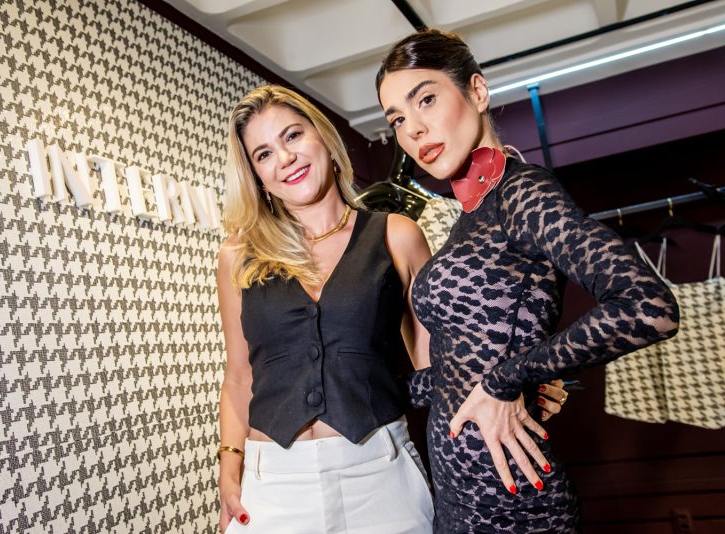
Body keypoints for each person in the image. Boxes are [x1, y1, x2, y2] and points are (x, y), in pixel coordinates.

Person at [215, 84, 568, 533]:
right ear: (256, 176)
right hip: (274, 485)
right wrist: (229, 468)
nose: (284, 158)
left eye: (293, 135)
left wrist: (516, 383)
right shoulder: (237, 256)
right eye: (263, 154)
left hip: (381, 474)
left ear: (323, 137)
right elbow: (239, 377)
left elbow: (437, 368)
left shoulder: (397, 235)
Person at [376, 29, 680, 532]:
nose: (414, 130)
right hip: (455, 502)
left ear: (477, 91)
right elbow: (459, 373)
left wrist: (510, 377)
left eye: (425, 99)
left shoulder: (522, 192)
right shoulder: (468, 217)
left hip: (516, 507)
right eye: (397, 120)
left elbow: (648, 307)